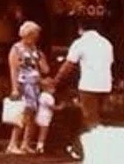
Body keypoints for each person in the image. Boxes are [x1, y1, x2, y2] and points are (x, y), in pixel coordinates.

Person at [57, 20, 114, 161]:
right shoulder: (106, 43)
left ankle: (95, 151)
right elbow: (110, 62)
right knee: (93, 117)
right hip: (105, 85)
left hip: (89, 85)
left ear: (81, 29)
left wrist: (56, 80)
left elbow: (68, 65)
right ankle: (76, 147)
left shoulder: (80, 43)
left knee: (90, 119)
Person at [7, 21, 51, 155]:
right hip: (23, 85)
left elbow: (45, 69)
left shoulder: (36, 50)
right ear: (29, 34)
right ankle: (13, 143)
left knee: (32, 115)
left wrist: (40, 57)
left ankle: (25, 143)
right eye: (35, 33)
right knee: (23, 114)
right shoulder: (16, 49)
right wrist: (14, 88)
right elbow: (14, 70)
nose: (37, 36)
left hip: (35, 85)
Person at [34, 77, 57, 154]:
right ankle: (40, 147)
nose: (54, 90)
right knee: (43, 132)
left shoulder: (41, 95)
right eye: (52, 88)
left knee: (40, 131)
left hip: (39, 115)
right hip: (45, 116)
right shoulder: (49, 97)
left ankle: (39, 145)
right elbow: (51, 107)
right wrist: (60, 107)